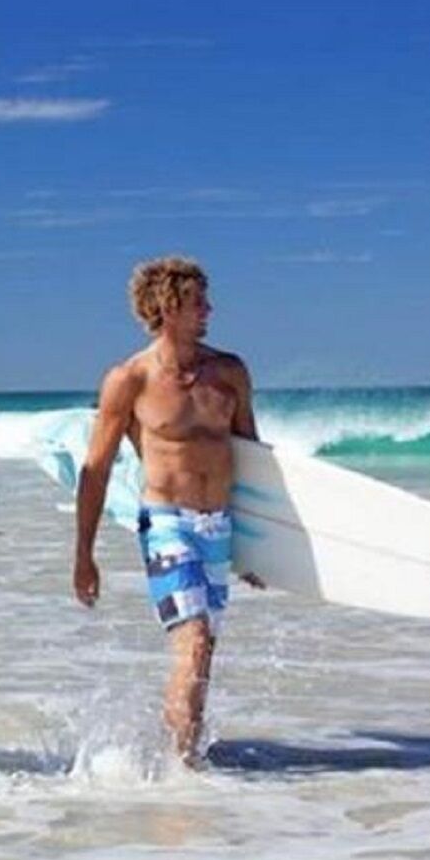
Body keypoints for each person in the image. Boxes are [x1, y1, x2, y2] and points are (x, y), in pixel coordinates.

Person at [72, 256, 259, 765]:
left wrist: (263, 548)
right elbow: (96, 470)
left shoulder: (229, 373)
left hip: (218, 524)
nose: (210, 310)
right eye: (199, 301)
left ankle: (178, 753)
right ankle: (185, 771)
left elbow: (254, 460)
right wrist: (84, 555)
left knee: (201, 654)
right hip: (166, 523)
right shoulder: (128, 380)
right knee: (194, 641)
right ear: (167, 306)